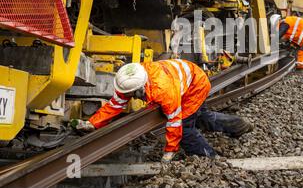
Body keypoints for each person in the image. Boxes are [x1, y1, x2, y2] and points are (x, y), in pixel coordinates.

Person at [71, 60, 253, 163]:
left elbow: (174, 121)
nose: (130, 97)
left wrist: (169, 151)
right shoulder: (132, 80)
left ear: (141, 88)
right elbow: (115, 104)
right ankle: (238, 125)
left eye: (133, 95)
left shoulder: (162, 91)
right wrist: (92, 123)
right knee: (202, 116)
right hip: (186, 78)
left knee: (185, 127)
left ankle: (210, 158)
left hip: (196, 86)